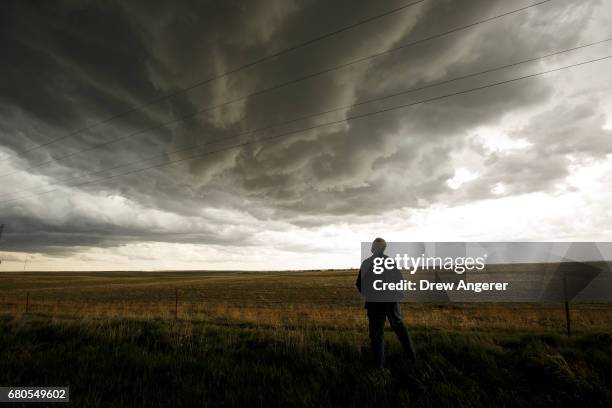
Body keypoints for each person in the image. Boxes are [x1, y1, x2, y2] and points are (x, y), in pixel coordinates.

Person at [356, 237, 416, 368]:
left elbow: (359, 284)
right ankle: (412, 357)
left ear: (374, 248)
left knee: (377, 334)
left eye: (373, 245)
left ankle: (379, 367)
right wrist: (397, 295)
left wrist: (369, 295)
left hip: (374, 303)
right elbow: (399, 280)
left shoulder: (367, 263)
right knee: (400, 328)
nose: (371, 247)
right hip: (391, 301)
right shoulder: (390, 261)